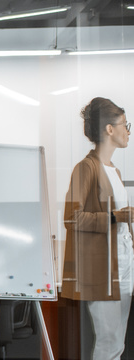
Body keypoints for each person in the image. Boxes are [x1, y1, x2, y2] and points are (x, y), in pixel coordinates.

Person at [61, 97, 134, 360]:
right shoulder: (86, 168)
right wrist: (116, 216)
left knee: (118, 343)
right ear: (109, 129)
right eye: (125, 125)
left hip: (123, 266)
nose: (128, 132)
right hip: (103, 269)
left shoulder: (113, 169)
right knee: (109, 341)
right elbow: (72, 218)